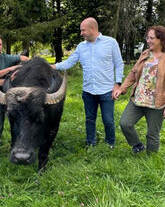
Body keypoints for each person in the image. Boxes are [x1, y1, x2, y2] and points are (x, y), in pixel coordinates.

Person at [51, 17, 124, 148]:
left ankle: (110, 144)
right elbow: (69, 62)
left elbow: (119, 64)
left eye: (83, 30)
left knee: (108, 120)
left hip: (107, 90)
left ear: (92, 28)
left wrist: (117, 84)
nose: (81, 33)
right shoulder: (81, 47)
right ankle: (91, 143)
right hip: (88, 90)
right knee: (90, 120)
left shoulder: (111, 43)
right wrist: (53, 67)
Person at [114, 25, 165, 154]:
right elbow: (133, 73)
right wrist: (122, 89)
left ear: (161, 39)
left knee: (152, 134)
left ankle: (151, 161)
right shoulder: (146, 53)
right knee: (125, 123)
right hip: (139, 99)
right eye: (147, 38)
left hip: (157, 102)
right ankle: (137, 145)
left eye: (151, 38)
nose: (148, 41)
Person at [0, 33, 29, 167]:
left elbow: (21, 57)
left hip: (7, 99)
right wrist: (11, 71)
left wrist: (29, 62)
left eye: (0, 44)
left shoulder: (5, 57)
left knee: (16, 124)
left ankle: (16, 148)